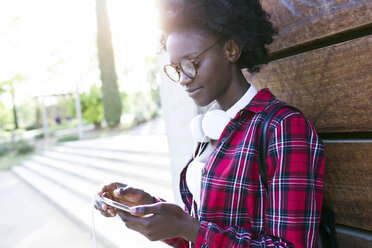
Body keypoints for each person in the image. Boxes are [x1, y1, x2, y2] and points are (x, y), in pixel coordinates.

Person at [95, 0, 325, 247]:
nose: (183, 79)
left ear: (231, 50)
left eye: (190, 63)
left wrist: (189, 228)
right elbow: (202, 232)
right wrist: (147, 206)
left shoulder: (282, 128)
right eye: (176, 68)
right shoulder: (211, 129)